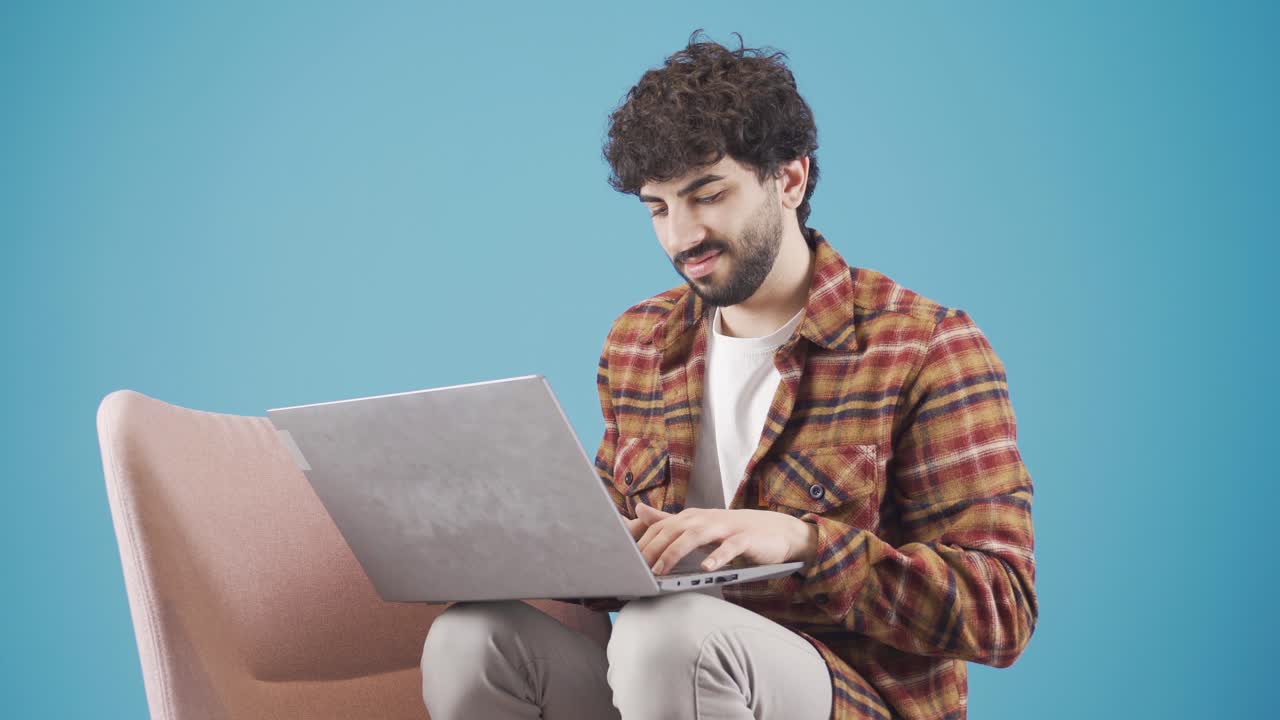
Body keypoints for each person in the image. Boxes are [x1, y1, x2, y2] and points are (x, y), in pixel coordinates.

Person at [419, 30, 1037, 720]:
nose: (680, 236)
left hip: (851, 698)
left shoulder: (925, 345)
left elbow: (1001, 608)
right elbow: (613, 563)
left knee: (669, 634)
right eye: (658, 208)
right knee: (470, 639)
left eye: (707, 195)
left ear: (789, 180)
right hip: (664, 686)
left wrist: (803, 542)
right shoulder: (637, 341)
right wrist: (519, 539)